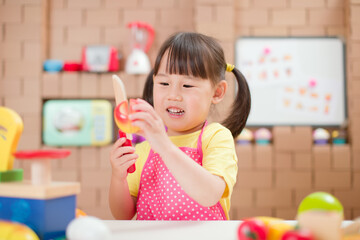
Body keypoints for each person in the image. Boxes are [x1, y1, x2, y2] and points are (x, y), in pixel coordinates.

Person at [109, 32, 251, 220]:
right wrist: (118, 177)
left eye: (187, 86)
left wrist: (164, 146)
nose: (173, 95)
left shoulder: (216, 137)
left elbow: (209, 195)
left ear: (217, 92)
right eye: (164, 83)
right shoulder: (144, 149)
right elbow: (123, 216)